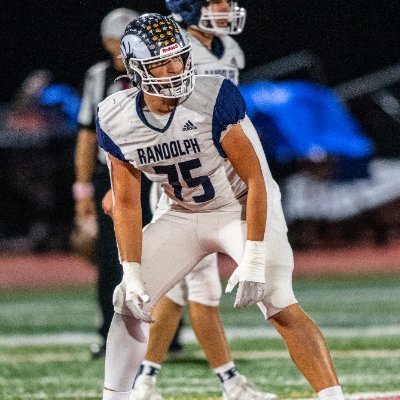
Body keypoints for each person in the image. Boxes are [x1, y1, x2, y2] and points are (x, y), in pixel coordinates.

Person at [97, 13, 344, 400]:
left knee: (278, 301)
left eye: (178, 58)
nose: (174, 68)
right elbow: (127, 203)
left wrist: (256, 255)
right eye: (160, 62)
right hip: (180, 212)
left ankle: (333, 396)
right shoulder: (115, 116)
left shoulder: (214, 97)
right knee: (128, 302)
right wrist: (130, 271)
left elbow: (256, 180)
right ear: (136, 69)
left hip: (238, 209)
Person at [128, 2, 276, 400]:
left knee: (176, 296)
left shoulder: (228, 49)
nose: (226, 8)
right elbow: (151, 114)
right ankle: (230, 385)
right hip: (187, 187)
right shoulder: (172, 49)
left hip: (216, 181)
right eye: (215, 1)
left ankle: (143, 381)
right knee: (203, 294)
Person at [73, 7, 154, 359]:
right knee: (111, 258)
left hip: (156, 173)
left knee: (162, 252)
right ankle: (110, 332)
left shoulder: (157, 69)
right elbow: (87, 134)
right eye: (119, 42)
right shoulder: (98, 76)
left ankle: (166, 336)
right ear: (107, 43)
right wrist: (82, 190)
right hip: (112, 176)